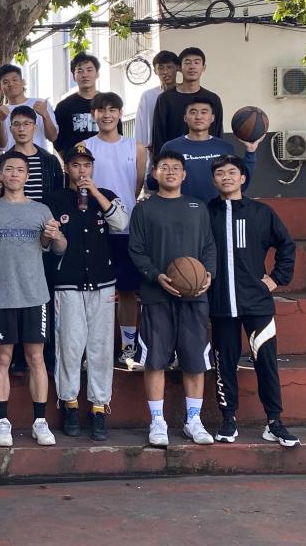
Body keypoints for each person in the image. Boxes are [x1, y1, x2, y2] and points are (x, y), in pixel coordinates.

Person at [207, 155, 300, 447]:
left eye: (232, 172)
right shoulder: (206, 213)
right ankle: (228, 419)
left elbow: (286, 245)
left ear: (243, 178)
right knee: (224, 364)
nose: (226, 177)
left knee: (266, 363)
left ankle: (274, 422)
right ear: (214, 180)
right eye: (220, 173)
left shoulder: (261, 212)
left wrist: (276, 278)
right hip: (221, 304)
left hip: (257, 304)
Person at [128, 150, 217, 447]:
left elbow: (209, 246)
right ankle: (157, 420)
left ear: (184, 174)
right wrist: (156, 276)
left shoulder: (198, 207)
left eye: (176, 168)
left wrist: (208, 275)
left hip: (195, 296)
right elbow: (136, 249)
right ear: (154, 173)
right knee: (155, 360)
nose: (170, 172)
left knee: (195, 360)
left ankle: (193, 420)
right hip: (156, 295)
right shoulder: (144, 209)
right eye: (164, 167)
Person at [0, 151, 66, 448]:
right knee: (2, 358)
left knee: (36, 358)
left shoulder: (41, 210)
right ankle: (2, 422)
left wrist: (55, 235)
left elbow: (57, 248)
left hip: (35, 295)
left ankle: (40, 421)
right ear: (1, 175)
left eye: (20, 170)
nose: (14, 174)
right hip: (2, 296)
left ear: (27, 176)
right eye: (9, 169)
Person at [45, 143, 128, 441]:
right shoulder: (55, 199)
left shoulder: (105, 195)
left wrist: (94, 193)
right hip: (67, 283)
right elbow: (50, 244)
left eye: (87, 165)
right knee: (69, 345)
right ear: (66, 168)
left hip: (103, 283)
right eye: (76, 165)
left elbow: (121, 223)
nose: (82, 170)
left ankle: (98, 407)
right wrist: (54, 237)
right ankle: (69, 404)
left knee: (101, 347)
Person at [83, 93, 147, 368]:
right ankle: (93, 349)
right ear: (93, 114)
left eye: (112, 109)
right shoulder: (84, 147)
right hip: (93, 229)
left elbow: (136, 186)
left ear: (121, 114)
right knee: (92, 292)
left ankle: (128, 346)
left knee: (128, 291)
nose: (107, 114)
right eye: (101, 110)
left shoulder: (137, 148)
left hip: (126, 228)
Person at [156, 100, 259, 203]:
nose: (198, 116)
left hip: (218, 209)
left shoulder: (225, 147)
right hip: (183, 209)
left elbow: (240, 184)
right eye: (193, 112)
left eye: (204, 112)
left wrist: (251, 151)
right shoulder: (171, 147)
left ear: (212, 118)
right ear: (185, 118)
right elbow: (157, 181)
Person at [150, 47, 223, 156]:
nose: (192, 66)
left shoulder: (213, 99)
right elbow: (159, 137)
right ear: (179, 67)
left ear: (203, 67)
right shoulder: (165, 99)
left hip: (206, 159)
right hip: (175, 162)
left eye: (197, 62)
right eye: (187, 62)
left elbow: (218, 135)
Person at [0, 105, 64, 203]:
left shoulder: (50, 160)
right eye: (16, 124)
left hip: (45, 212)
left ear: (35, 127)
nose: (21, 129)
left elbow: (59, 196)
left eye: (26, 124)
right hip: (12, 212)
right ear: (10, 129)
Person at [0, 63, 58, 151]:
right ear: (0, 88)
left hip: (40, 158)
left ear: (23, 82)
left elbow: (53, 137)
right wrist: (0, 120)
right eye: (5, 82)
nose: (11, 84)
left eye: (14, 80)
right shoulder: (0, 112)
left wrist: (45, 115)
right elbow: (1, 146)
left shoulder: (41, 104)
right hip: (13, 159)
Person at [53, 53, 100, 160]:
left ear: (97, 74)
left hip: (105, 163)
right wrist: (69, 161)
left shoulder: (108, 103)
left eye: (89, 70)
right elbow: (58, 141)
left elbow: (118, 135)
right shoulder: (64, 107)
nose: (85, 75)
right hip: (76, 164)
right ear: (74, 76)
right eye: (80, 71)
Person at [134, 51, 180, 150]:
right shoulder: (148, 96)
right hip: (155, 149)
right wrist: (142, 148)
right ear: (155, 71)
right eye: (161, 68)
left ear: (177, 68)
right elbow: (141, 125)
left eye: (169, 67)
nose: (165, 72)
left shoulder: (184, 93)